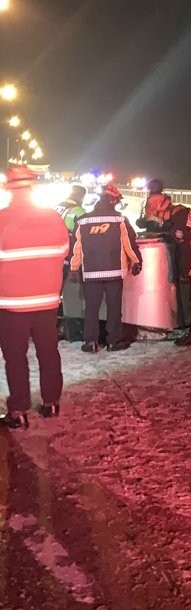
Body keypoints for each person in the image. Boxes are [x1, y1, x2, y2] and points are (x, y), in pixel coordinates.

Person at [0, 165, 71, 426]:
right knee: (48, 352)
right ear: (32, 187)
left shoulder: (2, 219)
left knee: (15, 357)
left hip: (11, 304)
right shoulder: (52, 217)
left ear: (9, 190)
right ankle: (51, 402)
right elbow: (64, 250)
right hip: (47, 301)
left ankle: (18, 411)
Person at [69, 182, 143, 353]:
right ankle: (113, 341)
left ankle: (90, 342)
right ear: (112, 201)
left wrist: (74, 268)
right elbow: (129, 245)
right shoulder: (119, 219)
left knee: (92, 308)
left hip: (91, 272)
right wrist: (136, 261)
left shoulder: (83, 220)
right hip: (114, 272)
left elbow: (76, 248)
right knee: (114, 308)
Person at [143, 193, 191, 346]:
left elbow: (188, 251)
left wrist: (185, 271)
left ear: (161, 210)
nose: (159, 219)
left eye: (157, 215)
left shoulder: (179, 225)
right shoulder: (180, 212)